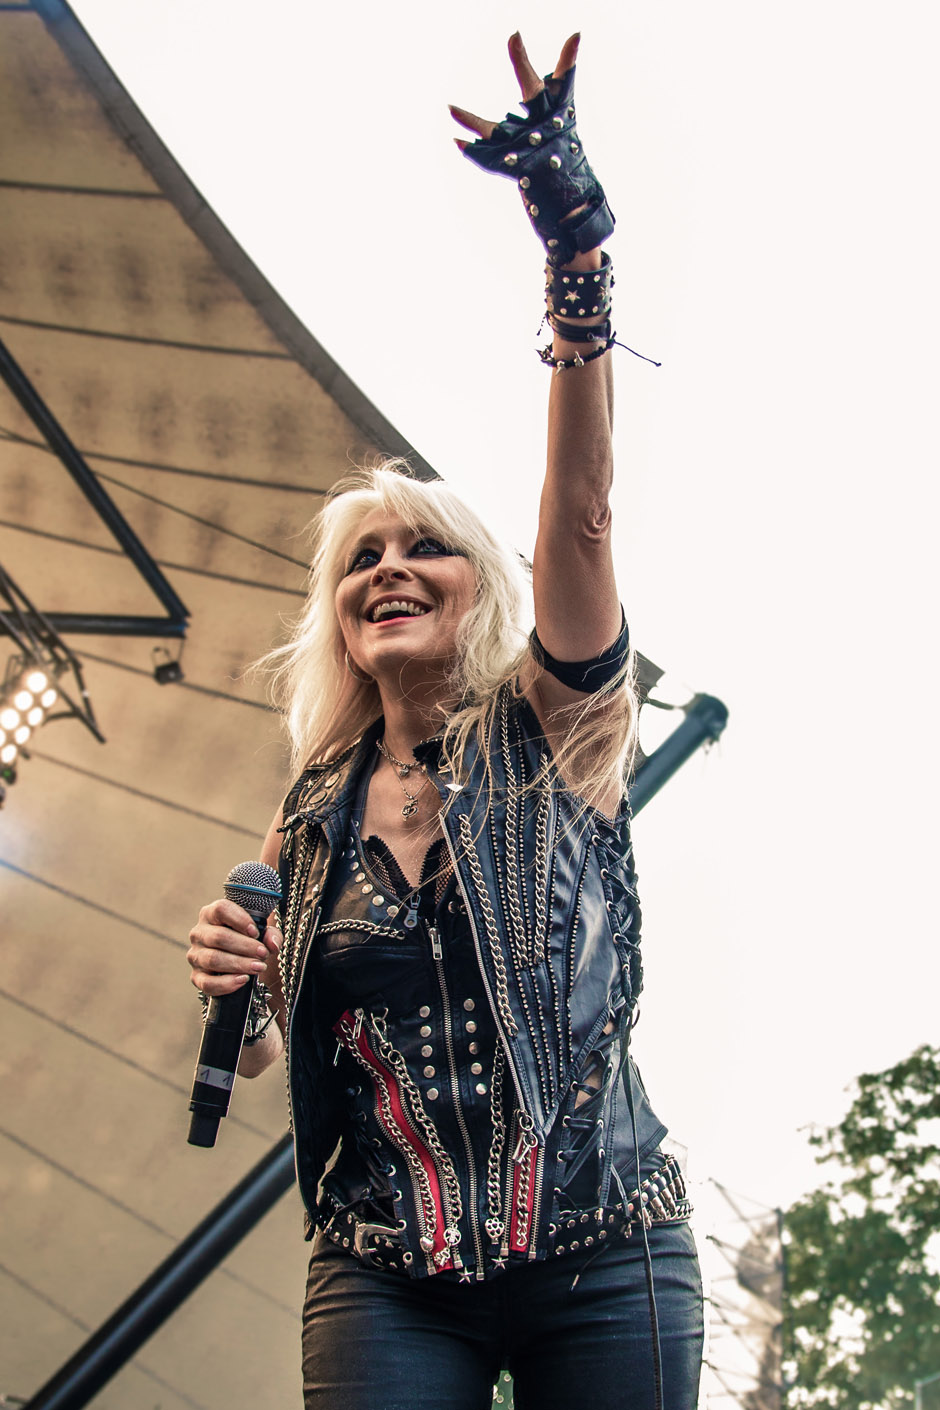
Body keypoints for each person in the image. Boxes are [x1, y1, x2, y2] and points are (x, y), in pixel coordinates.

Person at [187, 31, 704, 1410]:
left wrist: (577, 260)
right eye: (361, 559)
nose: (390, 569)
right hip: (387, 1271)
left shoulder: (557, 727)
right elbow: (282, 1048)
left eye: (426, 546)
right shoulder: (311, 812)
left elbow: (582, 513)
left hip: (605, 1251)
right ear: (339, 614)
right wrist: (237, 994)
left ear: (483, 588)